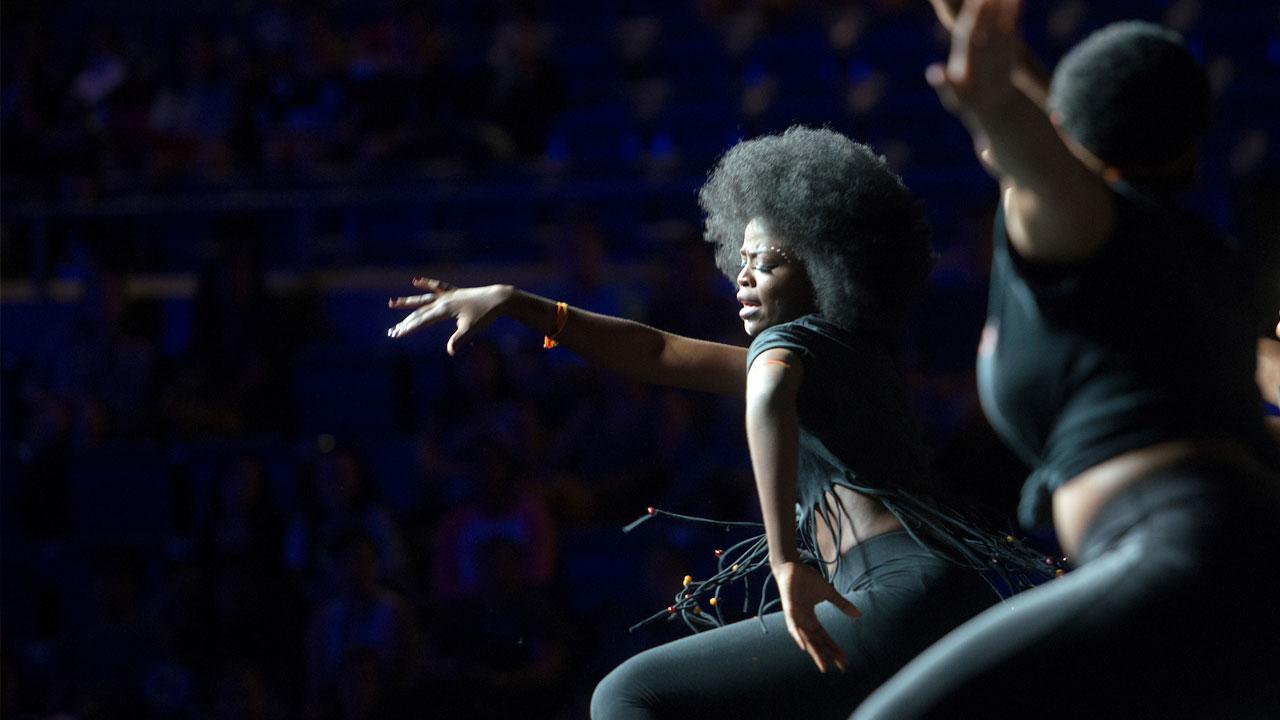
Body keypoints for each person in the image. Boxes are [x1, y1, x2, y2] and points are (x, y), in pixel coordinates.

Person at [388, 126, 1050, 719]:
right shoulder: (843, 357)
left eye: (768, 261)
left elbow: (766, 393)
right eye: (742, 259)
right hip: (940, 594)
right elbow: (657, 352)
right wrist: (518, 302)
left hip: (891, 589)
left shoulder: (796, 346)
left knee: (625, 694)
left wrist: (786, 562)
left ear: (827, 267)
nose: (744, 275)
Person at [852, 2, 1280, 718]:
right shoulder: (1200, 260)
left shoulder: (1078, 229)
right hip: (1236, 555)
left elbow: (1050, 169)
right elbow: (1077, 150)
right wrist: (1011, 62)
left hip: (1175, 543)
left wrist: (992, 106)